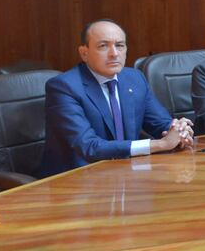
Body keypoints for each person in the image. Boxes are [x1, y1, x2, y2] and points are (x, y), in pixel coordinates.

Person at [40, 19, 194, 177]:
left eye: (120, 45)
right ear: (84, 53)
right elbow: (89, 147)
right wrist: (161, 144)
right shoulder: (64, 87)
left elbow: (160, 123)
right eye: (103, 46)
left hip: (128, 173)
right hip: (77, 182)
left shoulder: (134, 78)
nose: (114, 53)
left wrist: (178, 130)